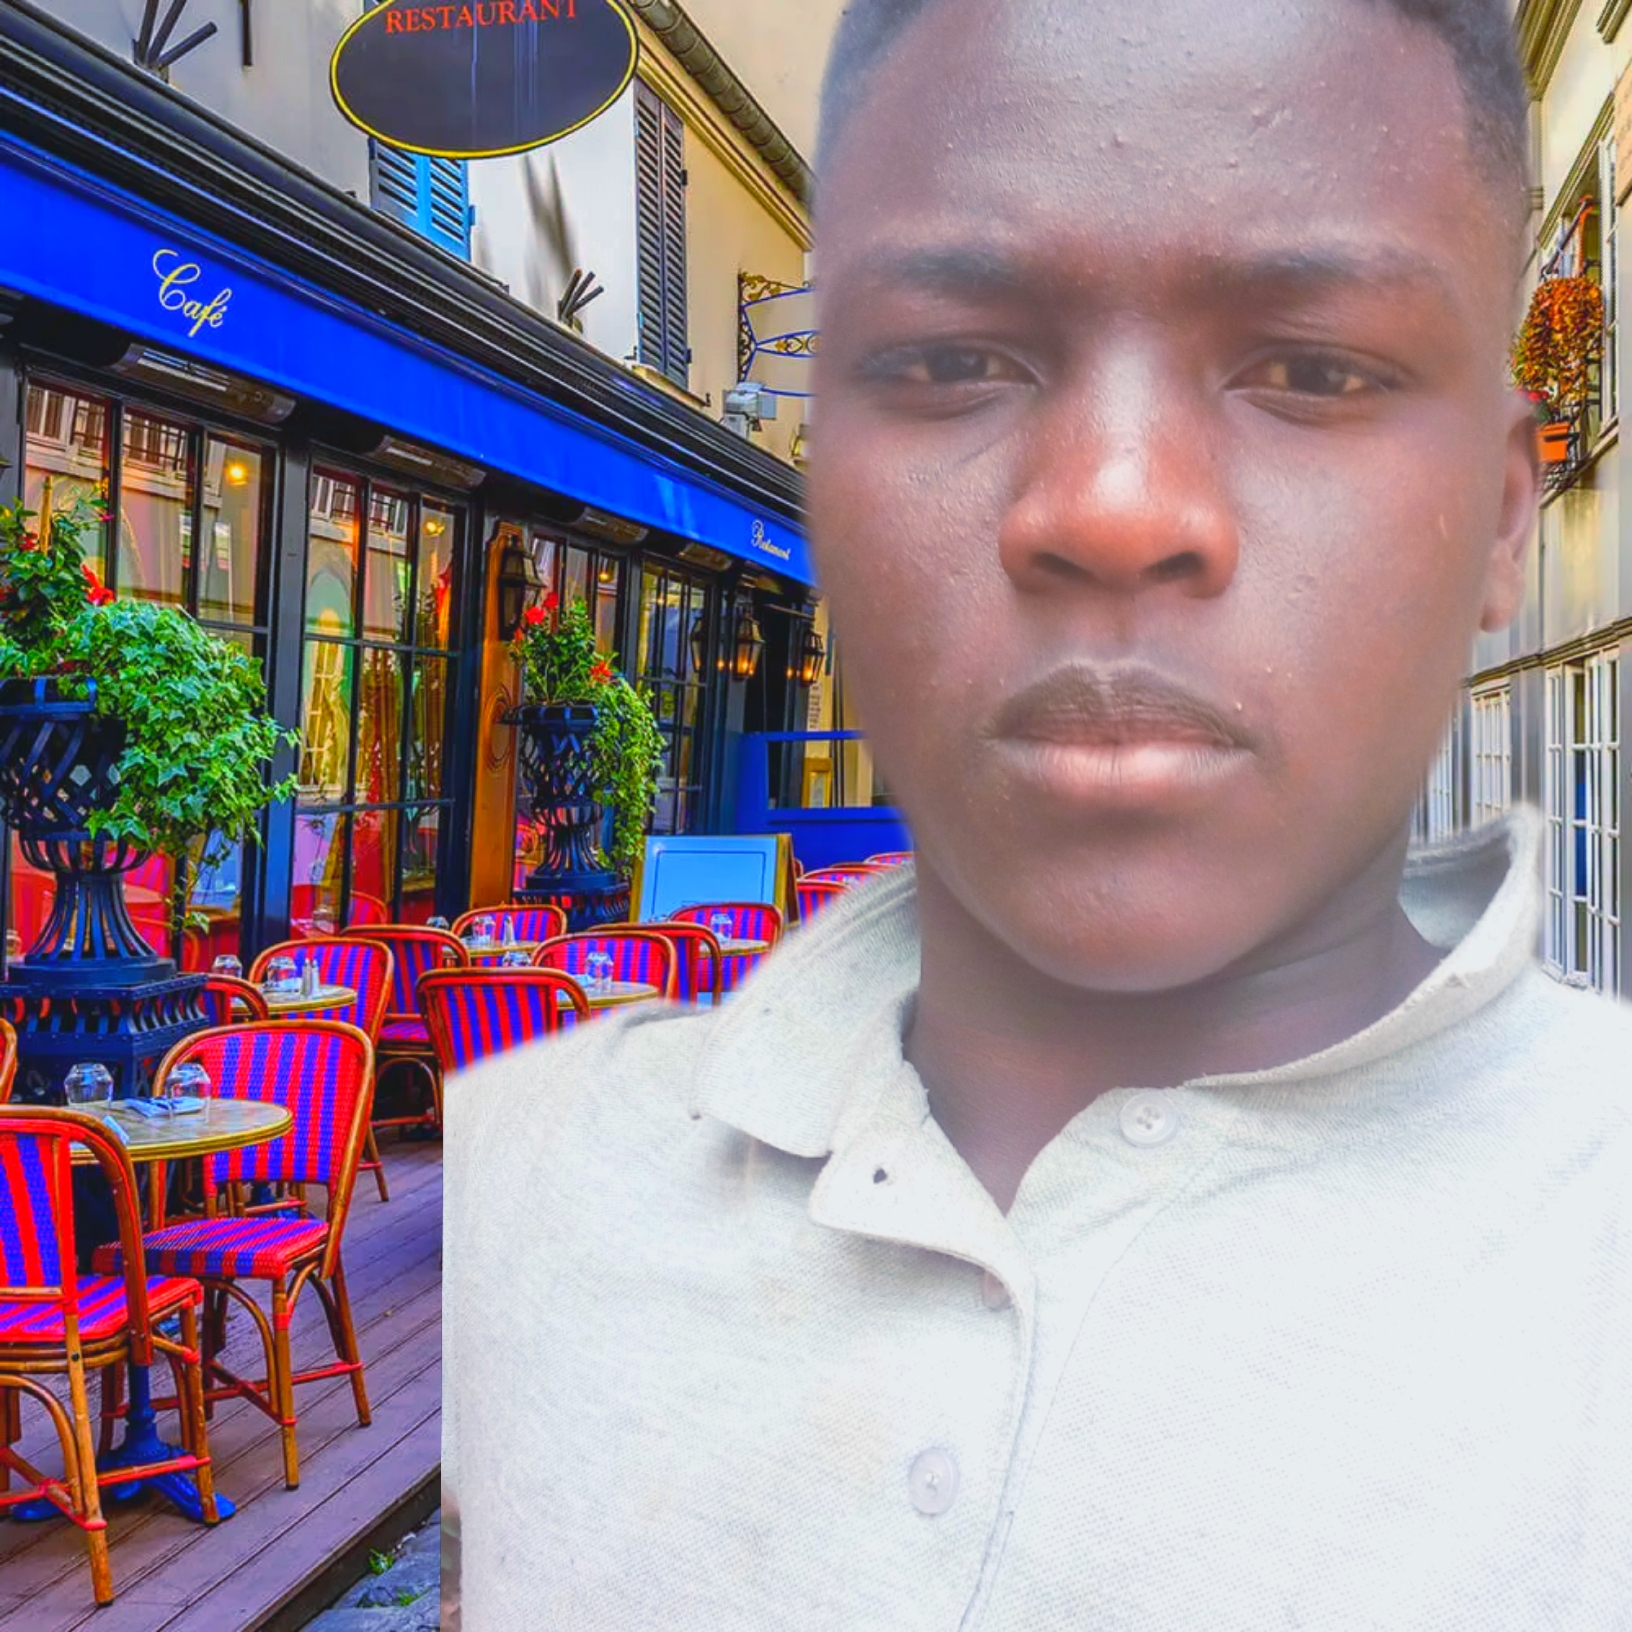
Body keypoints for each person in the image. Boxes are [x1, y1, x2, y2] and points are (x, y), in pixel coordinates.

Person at [443, 2, 1632, 1626]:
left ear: (1501, 518)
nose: (1114, 506)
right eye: (953, 361)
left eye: (1311, 368)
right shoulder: (537, 1189)